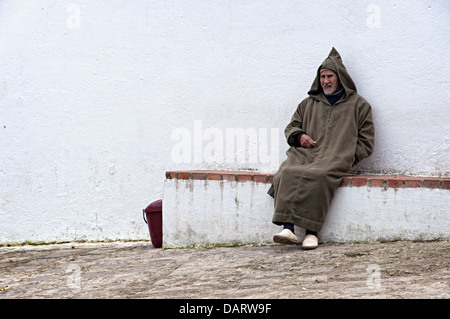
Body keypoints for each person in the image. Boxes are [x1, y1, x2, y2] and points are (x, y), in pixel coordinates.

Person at [268, 47, 375, 250]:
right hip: (305, 154)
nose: (325, 81)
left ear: (340, 78)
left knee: (320, 175)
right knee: (288, 171)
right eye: (322, 76)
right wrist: (299, 137)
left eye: (330, 76)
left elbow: (367, 141)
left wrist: (349, 156)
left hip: (336, 158)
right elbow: (292, 126)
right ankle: (288, 228)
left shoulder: (359, 106)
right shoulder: (307, 104)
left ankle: (311, 233)